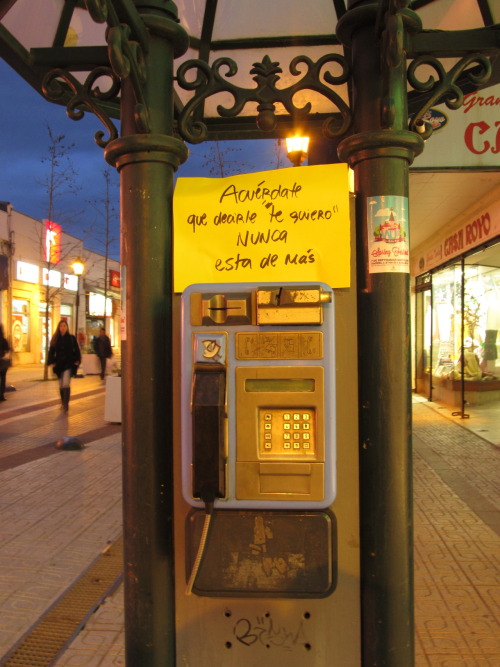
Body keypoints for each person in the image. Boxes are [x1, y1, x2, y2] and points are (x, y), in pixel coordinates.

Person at [47, 320, 81, 411]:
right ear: (58, 327)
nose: (62, 328)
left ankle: (66, 404)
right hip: (59, 365)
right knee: (61, 385)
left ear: (67, 327)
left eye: (64, 326)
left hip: (68, 364)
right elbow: (51, 351)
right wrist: (51, 362)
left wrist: (77, 360)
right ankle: (63, 402)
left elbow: (77, 350)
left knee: (66, 383)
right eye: (61, 326)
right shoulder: (55, 339)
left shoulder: (71, 338)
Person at [0, 323, 10, 402]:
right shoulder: (3, 339)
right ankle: (1, 395)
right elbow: (7, 349)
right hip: (2, 361)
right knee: (3, 378)